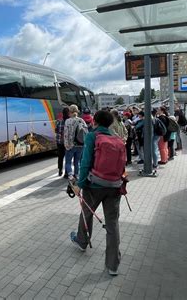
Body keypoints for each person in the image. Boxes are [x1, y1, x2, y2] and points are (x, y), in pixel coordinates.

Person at [69, 110, 123, 276]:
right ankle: (113, 265)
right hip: (114, 186)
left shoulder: (92, 136)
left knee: (87, 213)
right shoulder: (117, 139)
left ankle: (82, 241)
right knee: (112, 223)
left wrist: (80, 184)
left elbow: (85, 163)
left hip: (95, 186)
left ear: (94, 122)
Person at [64, 104, 87, 179]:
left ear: (70, 112)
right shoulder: (81, 120)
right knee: (77, 162)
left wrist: (66, 144)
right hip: (80, 144)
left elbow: (66, 134)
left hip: (70, 145)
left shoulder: (68, 121)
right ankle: (77, 175)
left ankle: (70, 176)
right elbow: (86, 132)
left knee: (68, 162)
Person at [55, 107, 70, 176]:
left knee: (60, 157)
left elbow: (56, 130)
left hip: (60, 141)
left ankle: (60, 170)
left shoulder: (58, 121)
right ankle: (66, 172)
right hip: (67, 142)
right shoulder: (70, 121)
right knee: (68, 157)